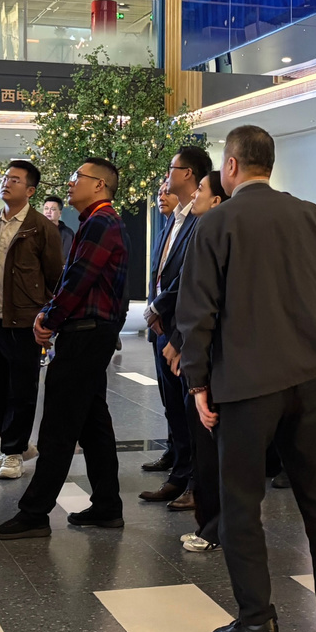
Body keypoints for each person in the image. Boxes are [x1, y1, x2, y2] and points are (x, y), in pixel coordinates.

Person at [176, 125, 316, 632]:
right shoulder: (308, 214)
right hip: (306, 380)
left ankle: (257, 621)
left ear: (231, 166)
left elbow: (197, 310)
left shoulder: (217, 222)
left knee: (241, 504)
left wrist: (197, 380)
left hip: (243, 385)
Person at [0, 158, 129, 539]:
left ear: (99, 185)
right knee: (93, 422)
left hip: (86, 333)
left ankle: (34, 513)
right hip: (91, 331)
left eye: (77, 177)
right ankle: (107, 505)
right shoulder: (97, 221)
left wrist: (50, 317)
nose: (69, 182)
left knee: (58, 426)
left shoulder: (101, 222)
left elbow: (79, 278)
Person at [0, 160, 63, 481]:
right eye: (5, 178)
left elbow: (54, 276)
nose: (6, 183)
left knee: (21, 390)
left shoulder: (42, 228)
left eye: (15, 179)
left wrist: (47, 316)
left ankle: (12, 452)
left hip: (24, 321)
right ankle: (17, 444)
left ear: (30, 190)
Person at [162, 170, 230, 551]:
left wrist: (181, 344)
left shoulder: (213, 234)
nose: (194, 195)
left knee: (211, 446)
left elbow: (203, 302)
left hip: (213, 359)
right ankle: (213, 524)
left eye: (201, 189)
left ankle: (213, 528)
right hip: (207, 354)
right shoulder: (206, 230)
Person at [141, 147, 212, 506]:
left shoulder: (201, 219)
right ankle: (179, 476)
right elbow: (162, 270)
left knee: (190, 409)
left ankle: (197, 484)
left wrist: (157, 307)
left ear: (188, 174)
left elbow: (190, 277)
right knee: (173, 407)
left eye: (171, 168)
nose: (166, 175)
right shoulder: (174, 218)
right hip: (163, 328)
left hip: (184, 330)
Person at [42, 196, 74, 262]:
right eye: (46, 209)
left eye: (53, 209)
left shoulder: (67, 233)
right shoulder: (35, 230)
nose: (48, 212)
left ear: (60, 213)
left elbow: (65, 258)